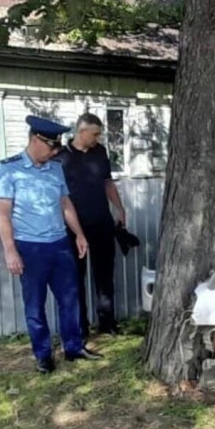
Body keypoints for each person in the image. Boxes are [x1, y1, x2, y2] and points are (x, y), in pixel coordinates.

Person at [0, 115, 103, 374]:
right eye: (51, 147)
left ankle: (74, 348)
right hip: (30, 248)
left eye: (57, 148)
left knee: (70, 299)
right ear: (34, 139)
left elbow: (65, 203)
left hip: (60, 244)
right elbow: (2, 214)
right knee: (35, 304)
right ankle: (43, 356)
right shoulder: (9, 170)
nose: (54, 152)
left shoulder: (55, 168)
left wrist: (78, 234)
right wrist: (10, 250)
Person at [55, 113, 126, 337]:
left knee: (104, 275)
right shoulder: (61, 157)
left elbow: (107, 183)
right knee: (76, 276)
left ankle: (107, 322)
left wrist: (120, 209)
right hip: (74, 229)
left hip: (101, 222)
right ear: (81, 131)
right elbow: (58, 196)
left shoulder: (100, 152)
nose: (98, 138)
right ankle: (81, 325)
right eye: (94, 134)